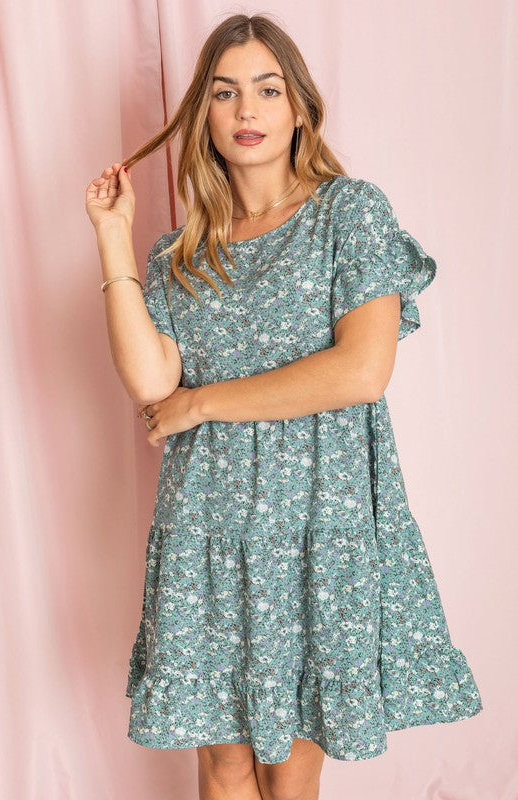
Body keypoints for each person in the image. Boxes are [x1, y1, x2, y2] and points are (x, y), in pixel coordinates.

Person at [85, 12, 483, 800]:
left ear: (298, 106)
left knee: (290, 769)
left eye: (267, 90)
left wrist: (203, 405)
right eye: (225, 93)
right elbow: (149, 383)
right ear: (204, 113)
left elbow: (362, 371)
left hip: (315, 529)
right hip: (208, 528)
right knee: (223, 763)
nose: (247, 112)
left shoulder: (350, 213)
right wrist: (112, 237)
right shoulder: (179, 253)